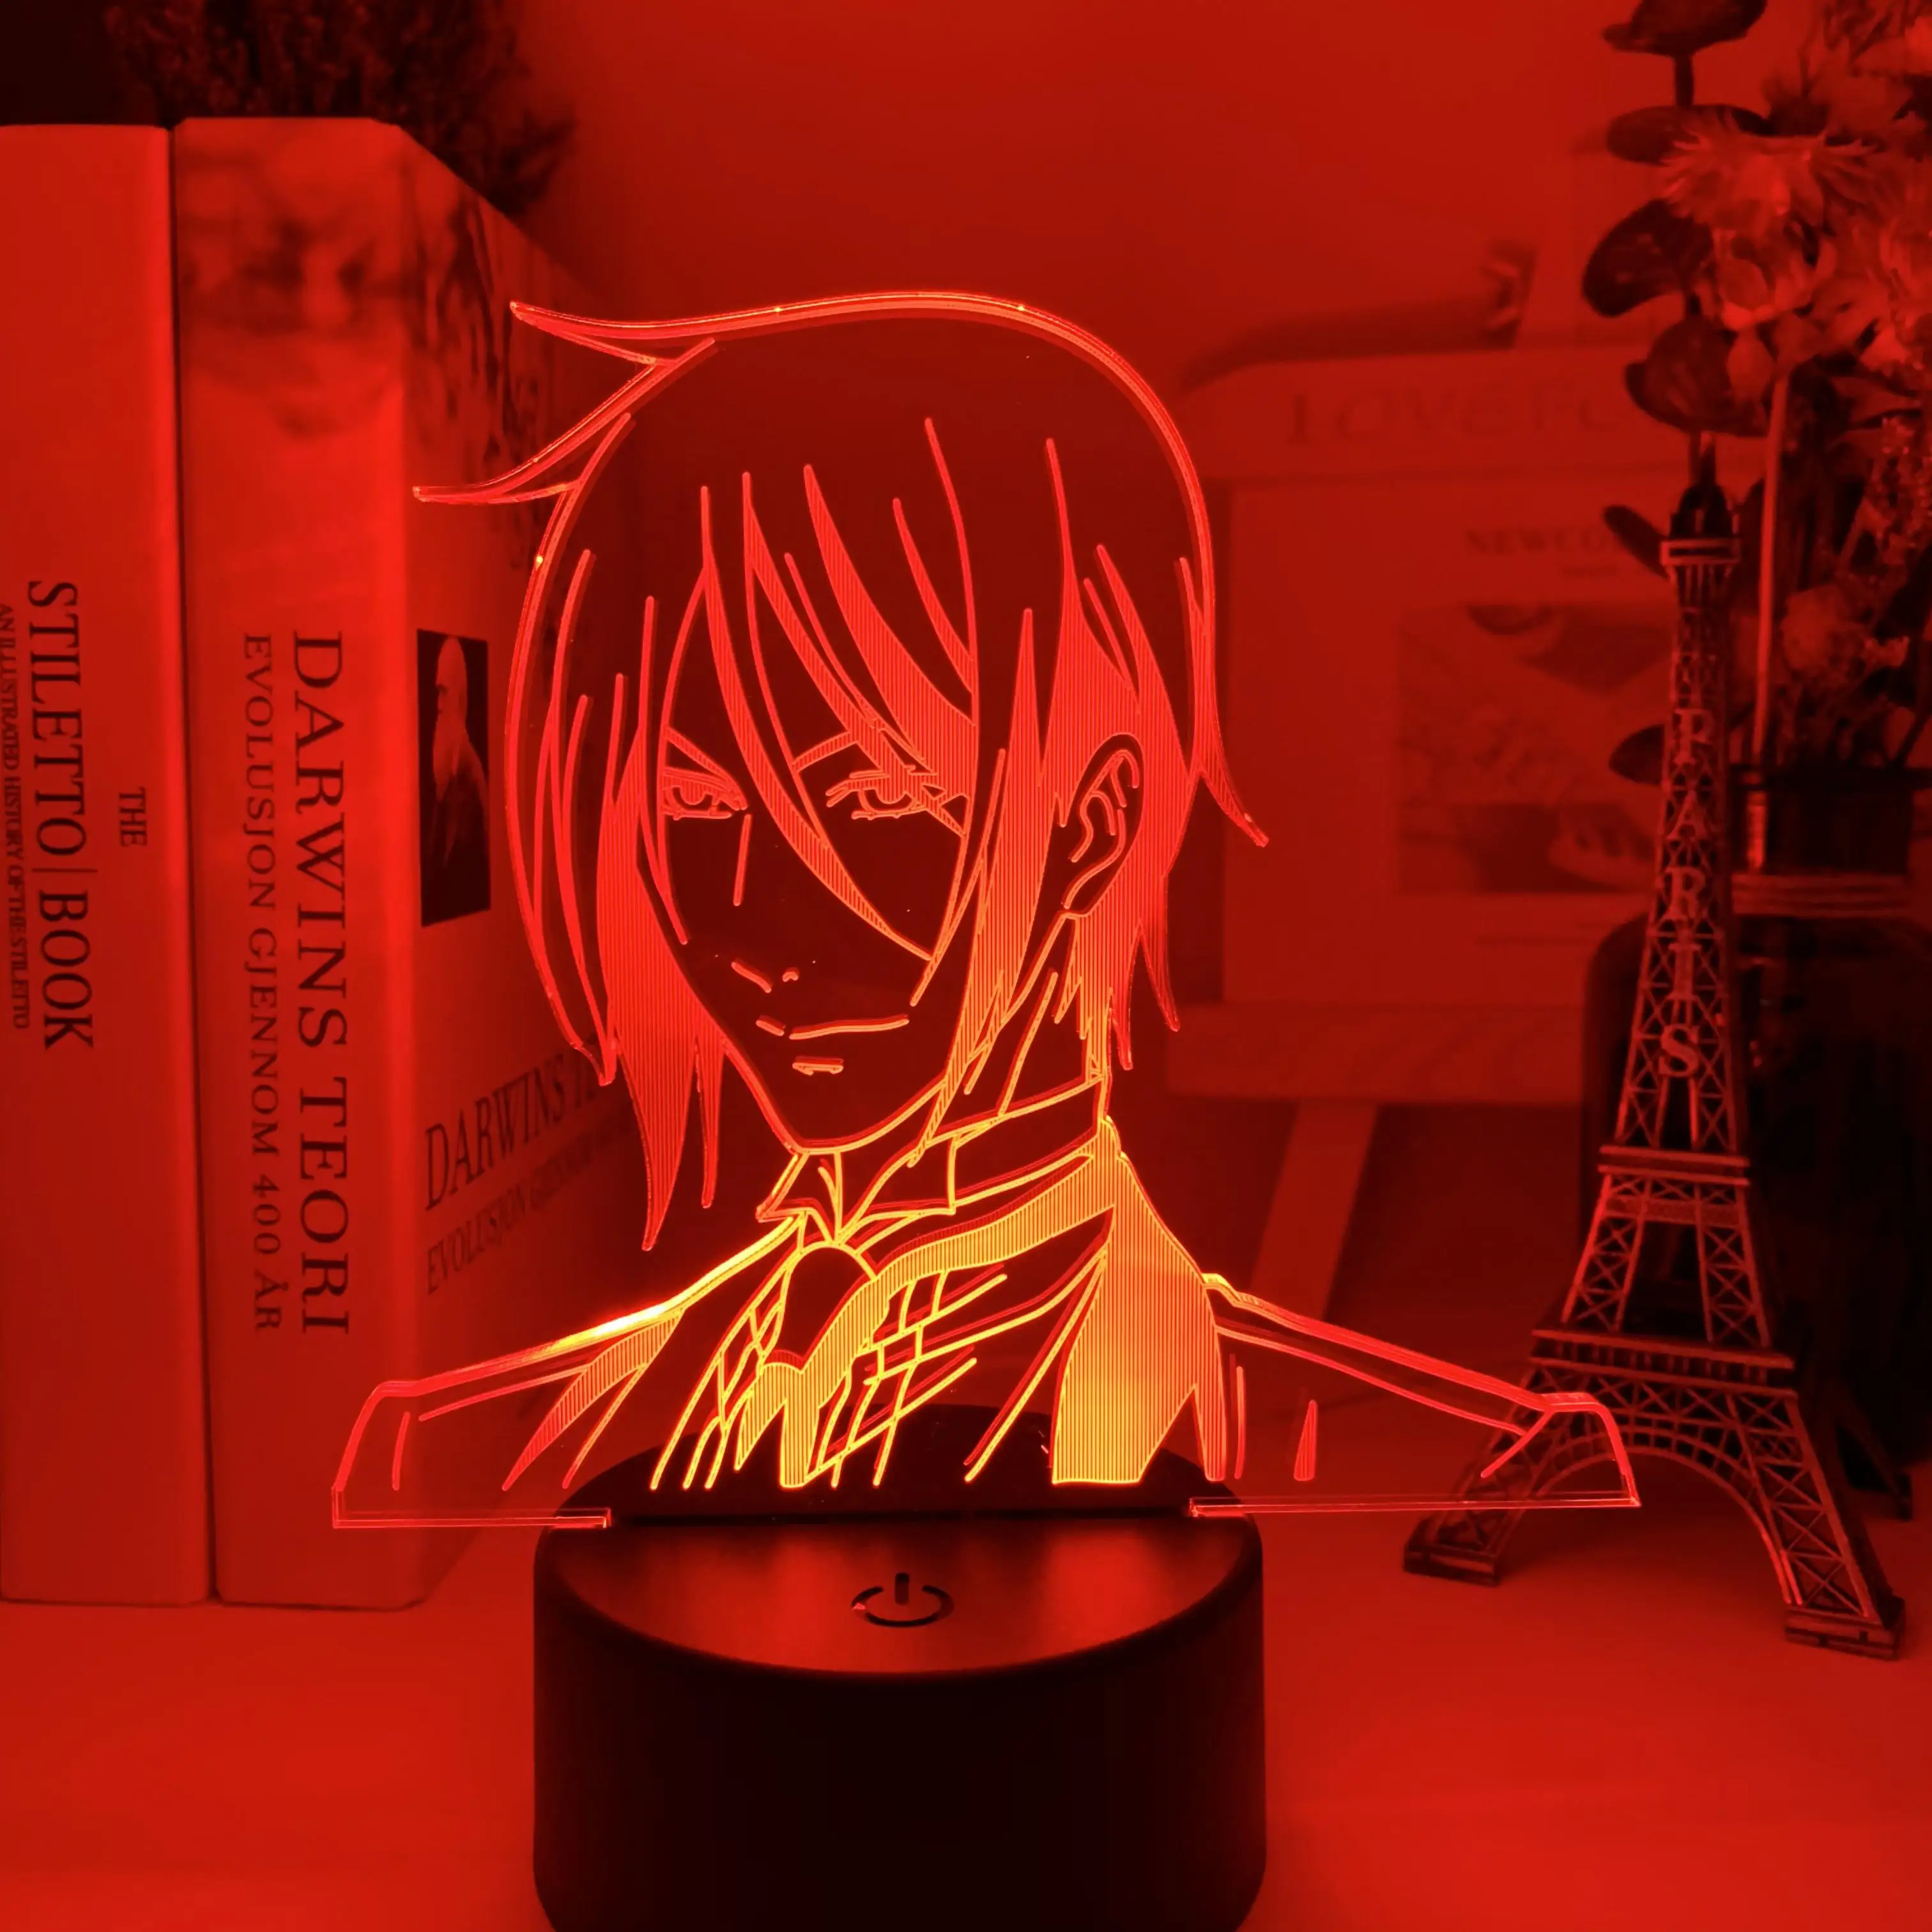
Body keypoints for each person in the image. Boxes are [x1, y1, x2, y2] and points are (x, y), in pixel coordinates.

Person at [335, 294, 1633, 1523]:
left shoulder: (1300, 1435)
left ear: (1099, 816)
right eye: (690, 801)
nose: (753, 928)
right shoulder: (495, 1439)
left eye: (876, 796)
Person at [422, 633, 490, 923]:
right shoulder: (445, 769)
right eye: (437, 692)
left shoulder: (470, 772)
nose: (439, 703)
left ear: (458, 695)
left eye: (444, 692)